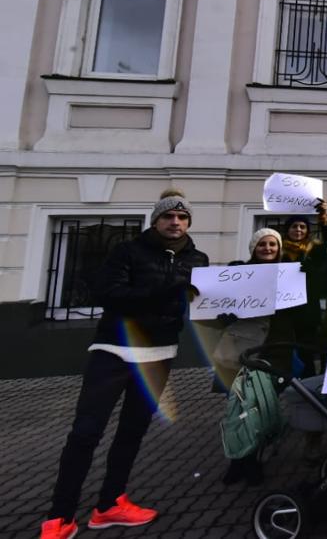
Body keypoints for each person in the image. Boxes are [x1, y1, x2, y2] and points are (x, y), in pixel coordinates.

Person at [41, 190, 209, 539]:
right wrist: (168, 292)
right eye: (168, 216)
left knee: (131, 433)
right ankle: (60, 515)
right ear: (156, 220)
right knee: (86, 432)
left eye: (181, 217)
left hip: (160, 354)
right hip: (114, 351)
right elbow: (109, 294)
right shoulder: (127, 251)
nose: (175, 222)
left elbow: (196, 305)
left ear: (189, 222)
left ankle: (109, 504)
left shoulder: (199, 259)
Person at [214, 228, 285, 487]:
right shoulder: (238, 272)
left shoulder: (288, 275)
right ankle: (237, 460)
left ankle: (253, 460)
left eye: (273, 245)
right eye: (262, 244)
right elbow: (218, 307)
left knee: (261, 408)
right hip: (238, 350)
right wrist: (226, 314)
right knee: (237, 408)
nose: (268, 249)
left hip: (270, 349)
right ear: (254, 248)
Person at [279, 201, 327, 373]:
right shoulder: (278, 251)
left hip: (308, 312)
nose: (298, 230)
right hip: (283, 312)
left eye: (302, 226)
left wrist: (324, 218)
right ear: (287, 230)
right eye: (294, 226)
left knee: (307, 353)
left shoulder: (314, 251)